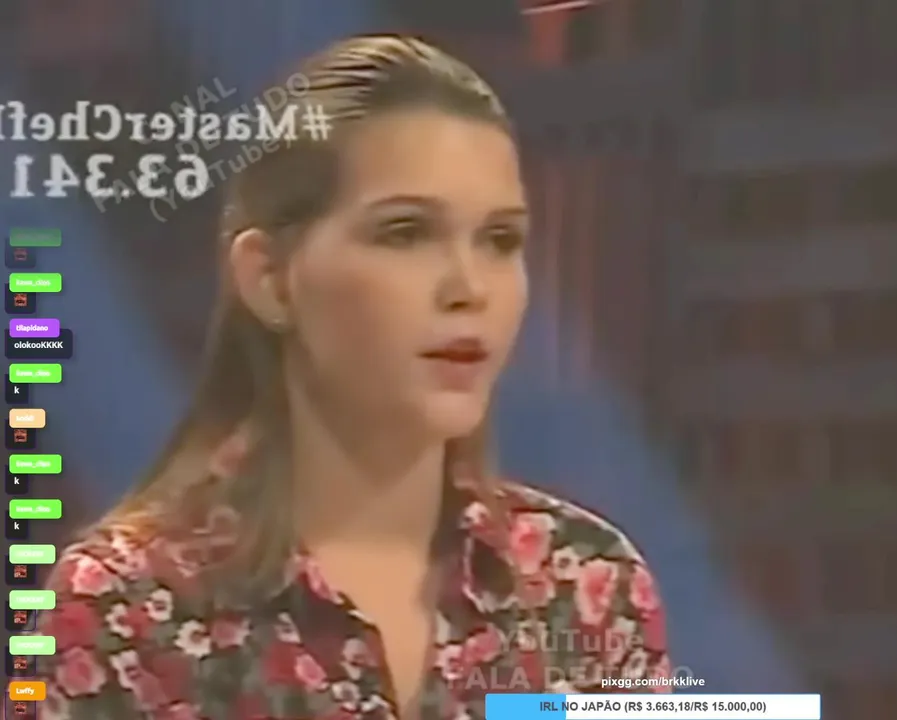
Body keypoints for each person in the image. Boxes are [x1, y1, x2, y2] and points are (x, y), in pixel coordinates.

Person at [34, 35, 670, 720]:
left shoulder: (589, 585)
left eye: (499, 240)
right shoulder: (125, 607)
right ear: (270, 278)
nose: (469, 288)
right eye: (405, 232)